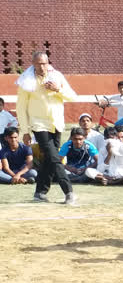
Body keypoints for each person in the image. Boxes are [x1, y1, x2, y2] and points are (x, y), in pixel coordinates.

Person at [15, 51, 77, 204]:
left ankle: (40, 192)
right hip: (38, 124)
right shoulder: (26, 81)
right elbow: (21, 107)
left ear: (48, 63)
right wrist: (25, 131)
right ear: (33, 64)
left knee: (50, 159)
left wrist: (58, 89)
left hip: (56, 124)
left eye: (44, 63)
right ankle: (68, 191)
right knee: (55, 158)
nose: (42, 67)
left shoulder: (57, 76)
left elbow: (73, 96)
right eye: (38, 64)